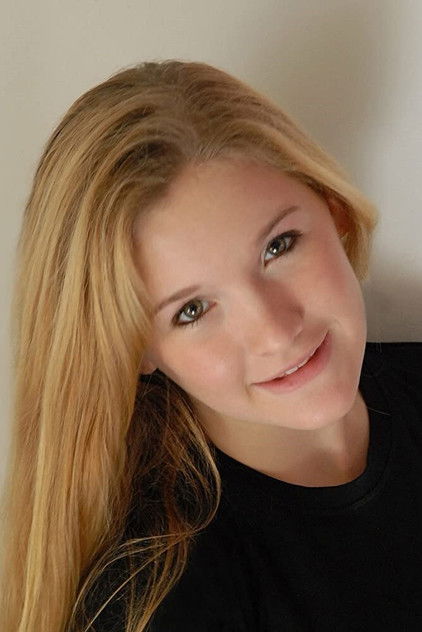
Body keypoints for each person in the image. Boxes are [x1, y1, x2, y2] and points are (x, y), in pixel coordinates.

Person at [1, 59, 421, 632]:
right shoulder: (159, 602)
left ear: (335, 211)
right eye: (192, 310)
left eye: (279, 246)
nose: (275, 332)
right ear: (137, 350)